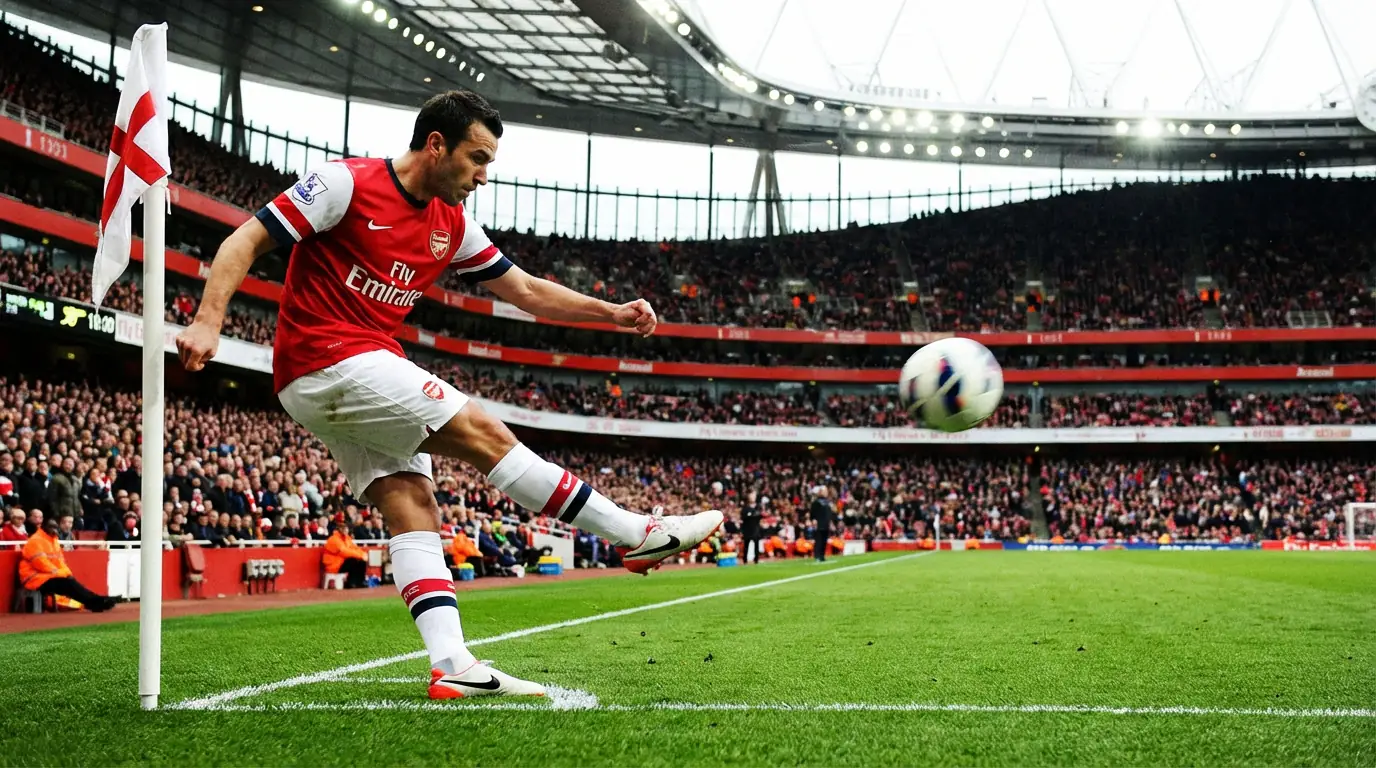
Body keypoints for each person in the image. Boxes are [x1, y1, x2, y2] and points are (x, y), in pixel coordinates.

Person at [176, 89, 722, 700]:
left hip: (348, 371)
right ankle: (633, 534)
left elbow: (527, 292)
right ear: (436, 145)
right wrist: (208, 320)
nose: (484, 175)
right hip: (328, 360)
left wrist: (611, 313)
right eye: (477, 158)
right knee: (484, 433)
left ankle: (452, 664)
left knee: (412, 501)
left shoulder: (453, 223)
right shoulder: (343, 184)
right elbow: (243, 241)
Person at [20, 516, 117, 612]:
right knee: (67, 583)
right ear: (43, 526)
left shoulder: (53, 540)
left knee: (69, 581)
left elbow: (60, 562)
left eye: (55, 526)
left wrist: (66, 573)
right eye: (51, 526)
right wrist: (61, 573)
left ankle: (96, 601)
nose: (54, 529)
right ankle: (95, 601)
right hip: (34, 579)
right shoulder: (36, 540)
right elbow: (41, 564)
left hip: (46, 576)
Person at [323, 516, 369, 588]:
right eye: (343, 528)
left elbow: (355, 548)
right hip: (334, 565)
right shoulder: (334, 539)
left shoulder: (347, 538)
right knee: (353, 560)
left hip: (341, 562)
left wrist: (363, 554)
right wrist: (360, 555)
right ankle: (351, 583)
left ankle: (359, 582)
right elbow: (344, 552)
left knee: (361, 561)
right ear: (339, 529)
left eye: (346, 528)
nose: (346, 530)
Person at [810, 485, 835, 563]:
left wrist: (831, 522)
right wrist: (813, 519)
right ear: (820, 492)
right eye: (825, 491)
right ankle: (817, 555)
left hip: (826, 523)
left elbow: (829, 514)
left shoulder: (827, 502)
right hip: (819, 523)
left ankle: (822, 555)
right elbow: (812, 512)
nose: (826, 492)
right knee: (819, 540)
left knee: (824, 540)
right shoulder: (816, 502)